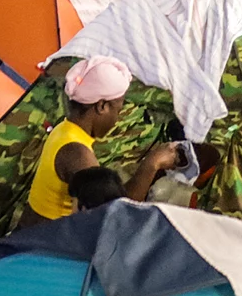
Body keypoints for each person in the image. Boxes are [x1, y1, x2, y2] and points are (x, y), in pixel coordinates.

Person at [21, 56, 180, 224]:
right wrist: (152, 164)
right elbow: (116, 215)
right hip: (42, 241)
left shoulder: (65, 129)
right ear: (102, 106)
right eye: (118, 110)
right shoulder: (77, 152)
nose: (117, 119)